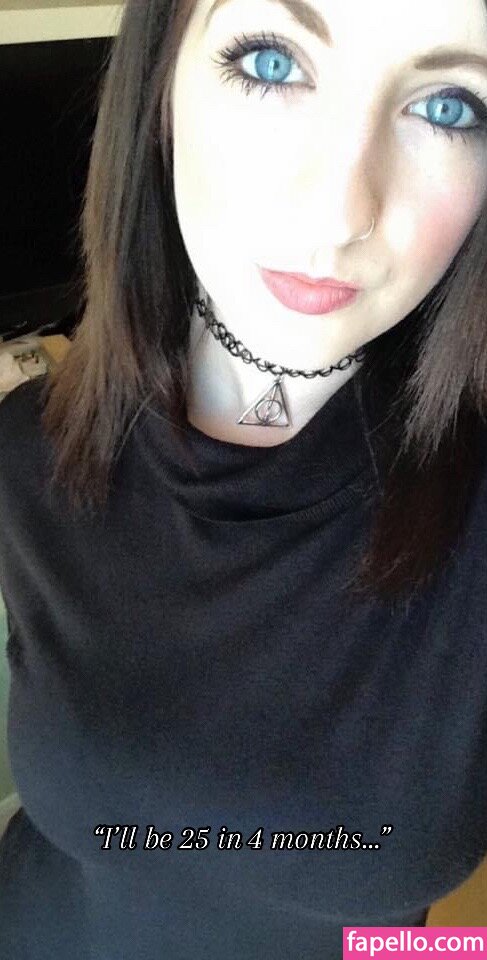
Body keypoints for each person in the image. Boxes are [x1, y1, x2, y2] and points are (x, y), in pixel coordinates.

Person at [1, 0, 487, 956]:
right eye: (271, 62)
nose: (337, 211)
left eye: (447, 108)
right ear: (159, 86)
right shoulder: (30, 451)